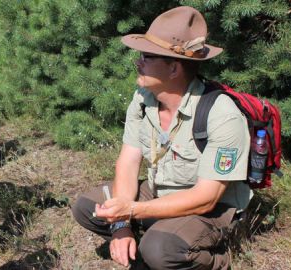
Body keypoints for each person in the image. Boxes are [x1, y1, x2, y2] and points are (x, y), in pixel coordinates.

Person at [72, 6, 251, 269]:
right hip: (158, 191)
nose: (138, 62)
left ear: (174, 69)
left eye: (146, 56)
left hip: (210, 209)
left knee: (158, 250)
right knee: (87, 207)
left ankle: (217, 259)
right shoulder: (143, 100)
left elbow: (207, 197)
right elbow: (128, 163)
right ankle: (153, 233)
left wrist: (131, 210)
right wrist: (121, 226)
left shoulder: (221, 114)